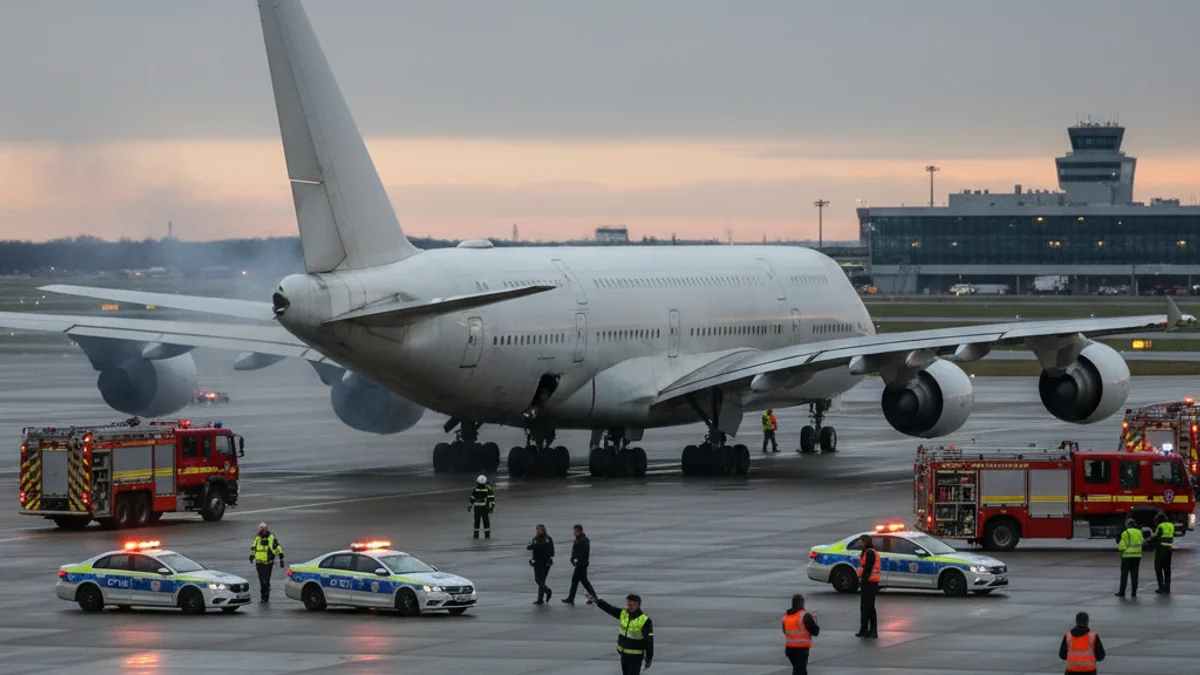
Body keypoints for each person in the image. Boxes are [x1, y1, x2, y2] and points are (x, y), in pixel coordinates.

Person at [586, 592, 654, 674]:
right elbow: (609, 609)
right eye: (628, 604)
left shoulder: (645, 621)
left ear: (637, 605)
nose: (629, 607)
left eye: (631, 605)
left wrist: (648, 658)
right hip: (624, 654)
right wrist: (596, 601)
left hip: (636, 656)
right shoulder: (623, 614)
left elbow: (649, 641)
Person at [782, 593, 819, 675]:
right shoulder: (805, 616)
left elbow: (785, 631)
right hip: (801, 649)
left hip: (789, 649)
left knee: (798, 669)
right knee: (800, 670)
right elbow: (815, 631)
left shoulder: (786, 617)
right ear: (801, 603)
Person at [249, 522, 284, 603]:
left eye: (264, 530)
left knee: (265, 581)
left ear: (266, 529)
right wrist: (251, 556)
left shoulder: (271, 537)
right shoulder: (257, 538)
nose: (262, 531)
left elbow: (277, 546)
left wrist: (281, 556)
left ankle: (266, 595)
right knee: (262, 580)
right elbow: (254, 547)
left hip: (268, 563)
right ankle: (263, 595)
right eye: (261, 530)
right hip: (259, 563)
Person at [563, 524, 596, 604]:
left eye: (574, 531)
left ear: (579, 531)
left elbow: (583, 553)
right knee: (576, 581)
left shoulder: (582, 540)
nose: (573, 533)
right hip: (581, 564)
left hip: (581, 565)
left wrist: (579, 562)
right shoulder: (581, 539)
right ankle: (571, 598)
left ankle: (594, 598)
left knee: (583, 582)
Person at [855, 534, 879, 638]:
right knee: (868, 607)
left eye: (861, 541)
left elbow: (867, 569)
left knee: (867, 607)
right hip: (871, 583)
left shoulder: (869, 553)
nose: (860, 543)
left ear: (865, 542)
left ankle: (867, 630)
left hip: (869, 583)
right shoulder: (870, 552)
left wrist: (862, 581)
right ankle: (868, 630)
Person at [1115, 516, 1143, 598]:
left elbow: (1121, 546)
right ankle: (1134, 592)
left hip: (1127, 556)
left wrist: (1121, 550)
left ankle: (1122, 592)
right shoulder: (1139, 532)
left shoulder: (1125, 533)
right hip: (1137, 556)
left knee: (1124, 575)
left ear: (1127, 525)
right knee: (1134, 574)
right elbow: (1141, 542)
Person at [527, 524, 554, 604]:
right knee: (540, 581)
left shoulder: (547, 539)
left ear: (543, 531)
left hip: (544, 563)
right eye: (537, 530)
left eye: (539, 530)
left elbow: (549, 551)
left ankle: (548, 591)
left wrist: (534, 546)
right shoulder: (536, 538)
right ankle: (540, 599)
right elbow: (531, 546)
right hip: (537, 563)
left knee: (539, 580)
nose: (537, 531)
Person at [1151, 512, 1174, 594]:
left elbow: (1155, 536)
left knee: (1158, 568)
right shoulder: (1171, 525)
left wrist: (1147, 541)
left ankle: (1161, 587)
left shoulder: (1160, 526)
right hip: (1169, 549)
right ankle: (1167, 588)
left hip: (1161, 549)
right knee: (1167, 569)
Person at [468, 475, 495, 539]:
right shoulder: (487, 489)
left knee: (477, 523)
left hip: (477, 509)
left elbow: (472, 498)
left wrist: (470, 506)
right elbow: (491, 499)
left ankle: (476, 535)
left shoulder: (476, 489)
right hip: (484, 509)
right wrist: (492, 507)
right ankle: (487, 535)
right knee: (485, 522)